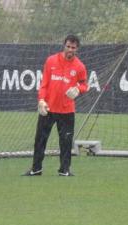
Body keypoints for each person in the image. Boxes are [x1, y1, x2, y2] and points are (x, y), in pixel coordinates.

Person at [23, 34, 88, 176]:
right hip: (48, 109)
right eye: (68, 46)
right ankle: (36, 169)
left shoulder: (80, 66)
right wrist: (41, 100)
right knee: (40, 139)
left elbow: (84, 85)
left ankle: (64, 170)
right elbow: (44, 84)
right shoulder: (51, 61)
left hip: (67, 111)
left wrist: (78, 89)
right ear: (64, 45)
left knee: (65, 142)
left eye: (73, 48)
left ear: (77, 49)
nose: (70, 49)